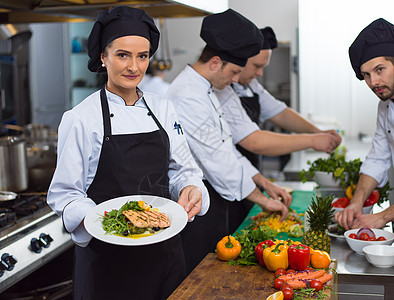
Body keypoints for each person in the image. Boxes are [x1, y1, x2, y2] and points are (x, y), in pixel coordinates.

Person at [47, 6, 209, 300]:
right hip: (108, 264)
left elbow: (184, 170)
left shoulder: (163, 108)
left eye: (142, 56)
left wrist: (190, 188)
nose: (134, 66)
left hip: (165, 254)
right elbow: (65, 195)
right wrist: (107, 223)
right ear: (103, 57)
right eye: (123, 54)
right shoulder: (81, 118)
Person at [166, 9, 291, 274]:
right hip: (198, 206)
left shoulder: (207, 89)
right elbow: (218, 161)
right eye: (234, 71)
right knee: (200, 279)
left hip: (218, 198)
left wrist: (265, 183)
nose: (236, 79)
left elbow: (227, 148)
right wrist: (263, 200)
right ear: (215, 62)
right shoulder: (188, 95)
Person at [214, 26, 342, 168]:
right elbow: (255, 142)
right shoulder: (221, 90)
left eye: (263, 67)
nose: (260, 73)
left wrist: (318, 132)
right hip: (227, 173)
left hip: (249, 171)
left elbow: (281, 114)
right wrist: (312, 141)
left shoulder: (251, 85)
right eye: (257, 66)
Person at [335, 18, 394, 230]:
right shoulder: (385, 106)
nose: (373, 82)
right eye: (366, 75)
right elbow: (378, 158)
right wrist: (356, 203)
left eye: (380, 70)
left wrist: (383, 216)